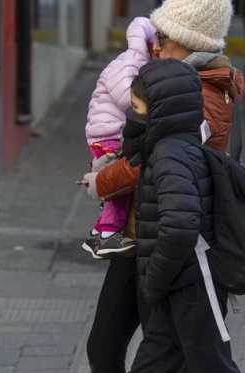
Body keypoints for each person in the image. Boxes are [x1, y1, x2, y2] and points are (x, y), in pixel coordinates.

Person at [80, 1, 245, 373]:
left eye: (163, 40)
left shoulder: (198, 94)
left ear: (188, 43)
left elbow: (160, 162)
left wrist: (101, 180)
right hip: (145, 233)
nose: (155, 46)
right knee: (115, 352)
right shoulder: (178, 83)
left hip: (171, 245)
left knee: (180, 369)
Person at [101, 58, 245, 373]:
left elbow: (180, 226)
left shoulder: (170, 156)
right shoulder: (170, 149)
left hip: (194, 285)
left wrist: (153, 282)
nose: (132, 117)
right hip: (180, 285)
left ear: (160, 111)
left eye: (137, 108)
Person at [82, 17, 157, 259]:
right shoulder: (130, 62)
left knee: (116, 184)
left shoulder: (135, 62)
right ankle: (107, 235)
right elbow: (127, 98)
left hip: (108, 131)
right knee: (119, 189)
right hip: (107, 134)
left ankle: (98, 232)